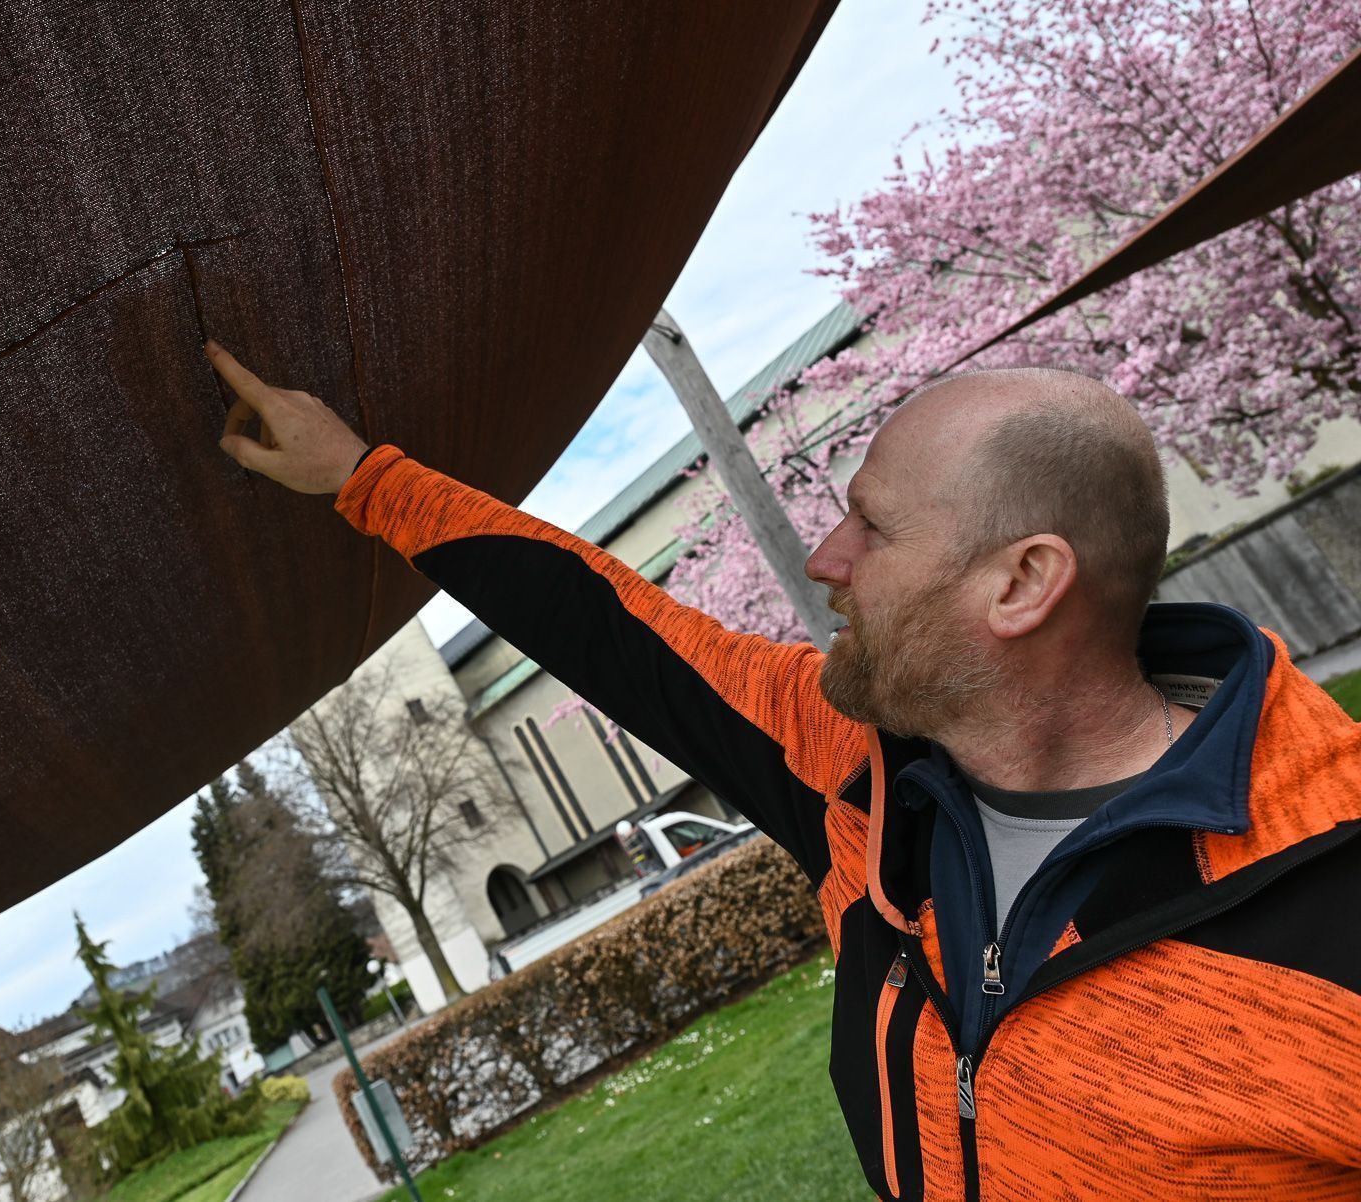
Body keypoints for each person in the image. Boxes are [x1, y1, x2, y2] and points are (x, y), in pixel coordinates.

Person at [204, 339, 1361, 1199]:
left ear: (1022, 583)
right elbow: (610, 627)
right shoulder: (853, 775)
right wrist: (363, 474)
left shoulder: (1331, 887)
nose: (824, 561)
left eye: (874, 528)